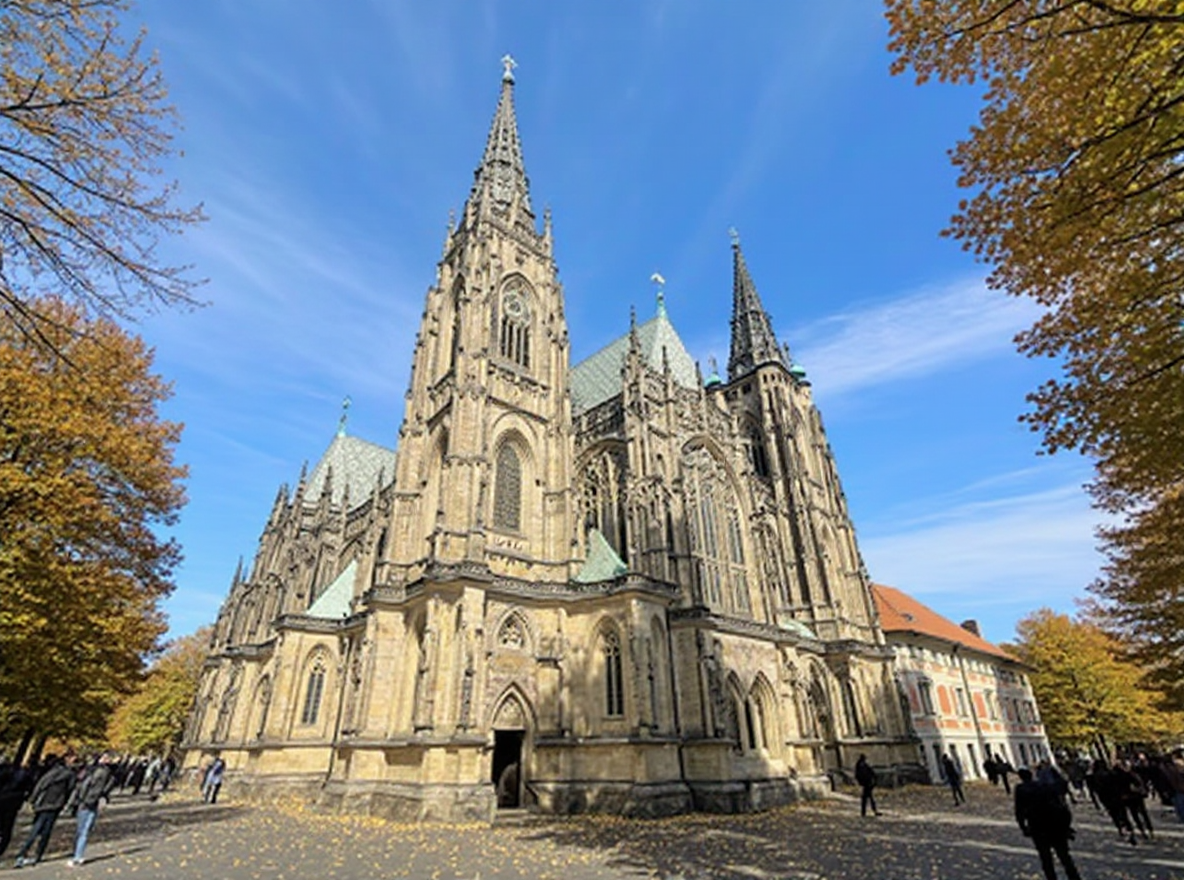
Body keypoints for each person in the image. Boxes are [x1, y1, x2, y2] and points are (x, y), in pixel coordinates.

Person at [1015, 767, 1082, 880]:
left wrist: (1023, 827)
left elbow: (1019, 810)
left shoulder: (1021, 789)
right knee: (1064, 856)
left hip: (1037, 826)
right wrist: (1066, 826)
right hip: (1054, 824)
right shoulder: (1044, 786)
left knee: (1046, 858)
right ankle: (1074, 877)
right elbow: (1060, 805)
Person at [12, 754, 76, 867]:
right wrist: (66, 804)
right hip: (55, 804)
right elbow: (70, 790)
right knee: (45, 831)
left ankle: (23, 852)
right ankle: (37, 854)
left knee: (36, 828)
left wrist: (33, 800)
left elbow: (40, 785)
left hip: (43, 803)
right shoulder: (69, 774)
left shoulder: (51, 772)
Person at [69, 754, 116, 867]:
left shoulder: (93, 771)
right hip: (94, 802)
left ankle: (77, 855)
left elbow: (83, 786)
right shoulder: (111, 774)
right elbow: (107, 789)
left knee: (81, 830)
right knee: (85, 829)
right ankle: (78, 855)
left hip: (86, 802)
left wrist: (78, 800)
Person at [1114, 758, 1153, 841]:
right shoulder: (1132, 774)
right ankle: (1148, 829)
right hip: (1135, 796)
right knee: (1142, 813)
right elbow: (1140, 783)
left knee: (1136, 814)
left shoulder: (1118, 776)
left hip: (1128, 797)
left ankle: (1143, 829)